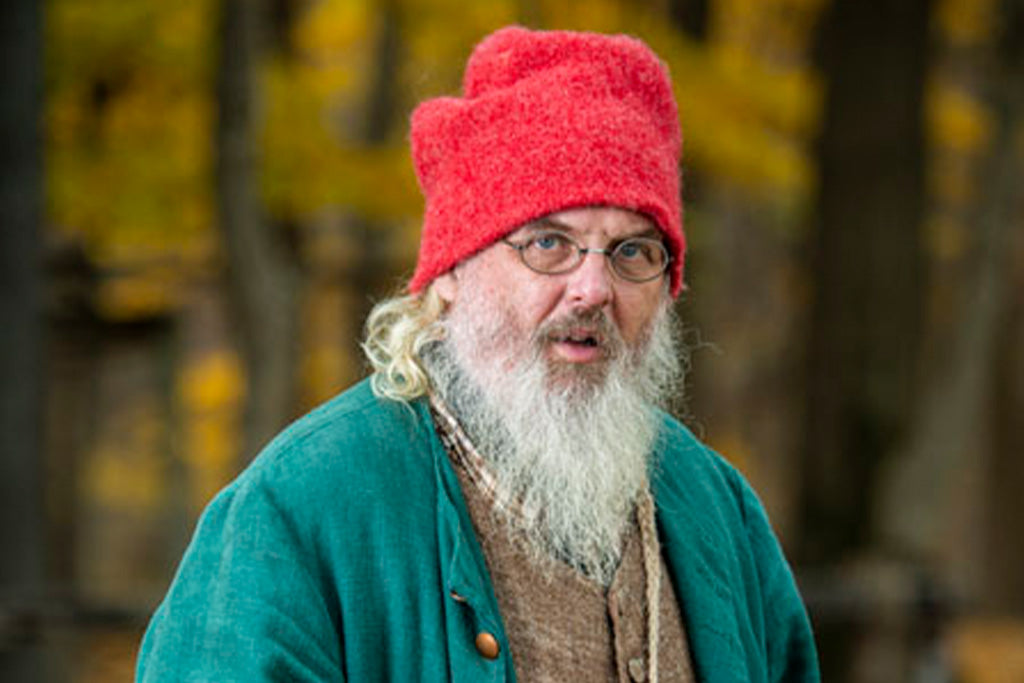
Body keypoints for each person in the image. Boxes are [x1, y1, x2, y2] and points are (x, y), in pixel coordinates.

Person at [136, 26, 819, 683]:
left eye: (633, 251)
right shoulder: (301, 507)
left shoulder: (718, 509)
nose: (593, 288)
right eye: (547, 243)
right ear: (451, 273)